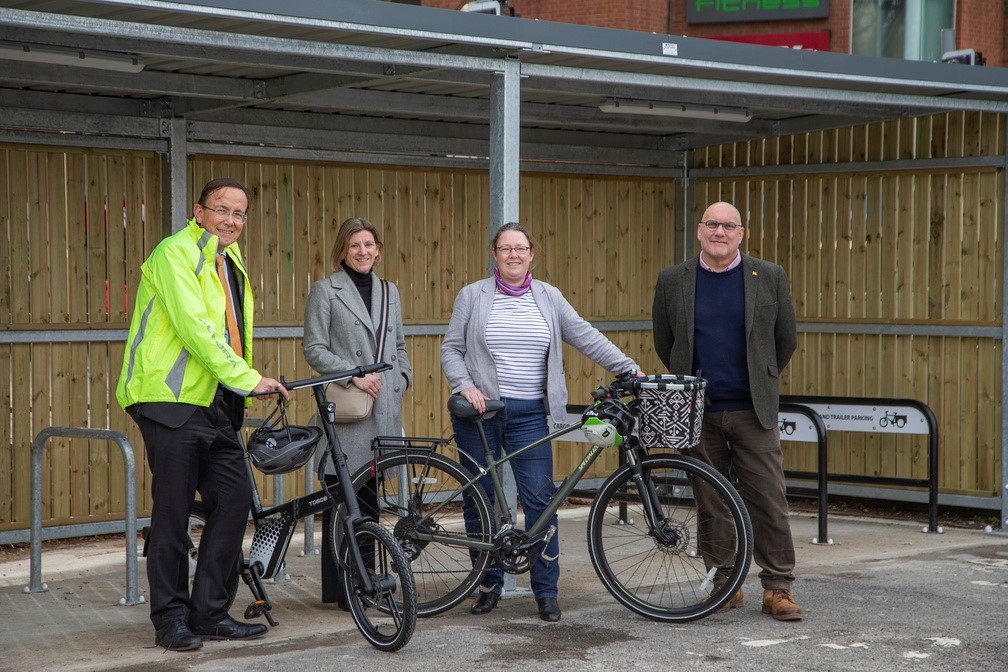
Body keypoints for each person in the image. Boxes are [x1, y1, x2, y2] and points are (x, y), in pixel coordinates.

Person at [116, 178, 289, 651]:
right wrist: (247, 376)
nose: (231, 220)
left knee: (233, 503)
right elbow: (194, 327)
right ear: (199, 211)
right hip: (168, 400)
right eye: (222, 210)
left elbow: (232, 332)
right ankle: (170, 619)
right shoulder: (175, 253)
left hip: (215, 403)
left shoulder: (229, 259)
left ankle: (210, 611)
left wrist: (240, 386)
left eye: (239, 213)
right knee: (172, 513)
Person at [440, 221, 640, 623]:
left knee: (540, 503)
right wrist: (464, 386)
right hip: (482, 413)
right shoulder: (472, 296)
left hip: (531, 412)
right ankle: (487, 584)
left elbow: (584, 335)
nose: (513, 255)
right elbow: (452, 348)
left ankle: (545, 590)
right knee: (480, 501)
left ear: (532, 253)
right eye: (505, 249)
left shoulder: (548, 296)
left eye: (521, 248)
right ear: (494, 254)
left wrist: (629, 368)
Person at [651, 200, 803, 621]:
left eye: (728, 225)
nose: (720, 232)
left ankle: (778, 587)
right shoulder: (672, 280)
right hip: (698, 413)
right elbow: (667, 343)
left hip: (753, 410)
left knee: (768, 498)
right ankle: (724, 583)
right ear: (699, 230)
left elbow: (784, 339)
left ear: (741, 233)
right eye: (712, 224)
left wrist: (762, 376)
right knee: (711, 500)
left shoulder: (769, 276)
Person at [303, 217, 412, 608]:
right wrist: (355, 376)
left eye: (369, 244)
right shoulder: (325, 290)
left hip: (384, 406)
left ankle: (369, 582)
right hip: (348, 411)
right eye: (354, 246)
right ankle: (345, 589)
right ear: (342, 251)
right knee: (345, 499)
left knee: (371, 500)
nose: (363, 252)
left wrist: (402, 379)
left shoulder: (389, 290)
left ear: (378, 249)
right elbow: (314, 348)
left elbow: (399, 344)